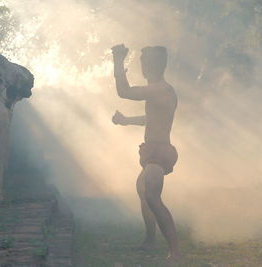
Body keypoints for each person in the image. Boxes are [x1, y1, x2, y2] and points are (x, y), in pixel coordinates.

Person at [111, 44, 181, 260]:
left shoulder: (161, 89)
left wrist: (118, 60)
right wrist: (125, 121)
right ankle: (150, 240)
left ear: (152, 64)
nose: (142, 65)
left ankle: (175, 252)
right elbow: (149, 120)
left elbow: (124, 91)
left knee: (152, 196)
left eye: (144, 61)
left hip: (159, 152)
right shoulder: (158, 91)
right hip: (154, 150)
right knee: (143, 190)